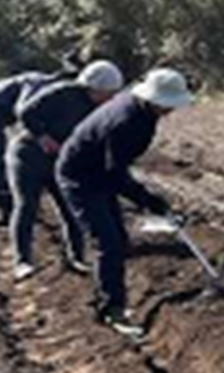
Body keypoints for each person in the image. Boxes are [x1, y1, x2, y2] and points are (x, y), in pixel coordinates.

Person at [58, 69, 195, 341]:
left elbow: (114, 171)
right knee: (108, 244)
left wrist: (151, 202)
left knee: (118, 239)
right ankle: (112, 310)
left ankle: (112, 298)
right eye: (168, 103)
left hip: (98, 173)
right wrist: (153, 203)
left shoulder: (141, 109)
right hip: (81, 179)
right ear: (154, 99)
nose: (171, 110)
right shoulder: (127, 121)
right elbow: (117, 175)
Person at [8, 61, 126, 282]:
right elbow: (25, 112)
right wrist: (42, 137)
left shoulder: (102, 109)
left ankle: (77, 257)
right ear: (90, 87)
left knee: (70, 207)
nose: (109, 99)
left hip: (61, 161)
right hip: (28, 155)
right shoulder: (62, 93)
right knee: (27, 206)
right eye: (105, 93)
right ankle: (22, 261)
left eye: (112, 94)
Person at [0, 68, 65, 224]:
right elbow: (22, 110)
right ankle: (4, 208)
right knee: (1, 160)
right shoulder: (37, 83)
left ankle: (20, 200)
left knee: (13, 156)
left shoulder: (42, 83)